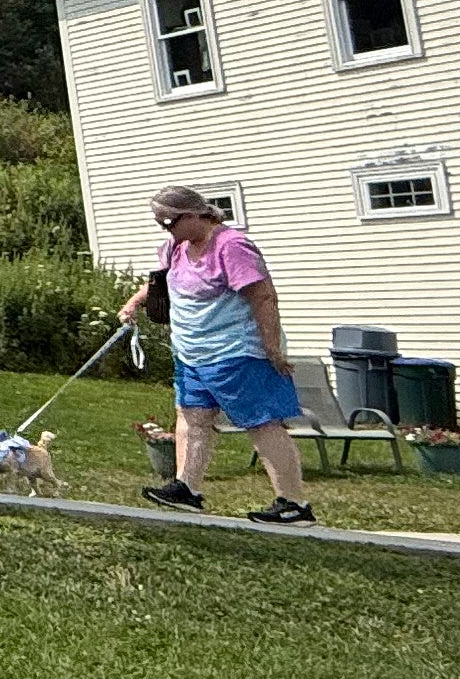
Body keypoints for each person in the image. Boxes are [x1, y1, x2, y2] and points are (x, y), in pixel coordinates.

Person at [119, 186, 314, 523]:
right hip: (192, 354)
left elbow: (264, 297)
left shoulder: (231, 246)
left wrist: (271, 348)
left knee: (262, 423)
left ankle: (294, 503)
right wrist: (135, 302)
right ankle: (186, 488)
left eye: (170, 221)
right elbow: (162, 282)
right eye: (160, 223)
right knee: (192, 418)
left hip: (237, 353)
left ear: (195, 214)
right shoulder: (176, 247)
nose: (166, 229)